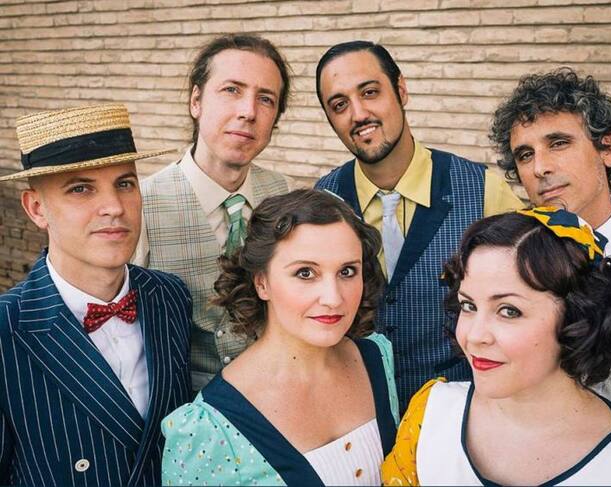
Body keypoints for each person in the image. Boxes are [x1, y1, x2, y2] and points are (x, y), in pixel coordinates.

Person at [313, 40, 523, 411]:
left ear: (401, 90)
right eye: (339, 104)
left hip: (461, 411)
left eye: (370, 92)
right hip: (357, 411)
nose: (358, 114)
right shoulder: (324, 199)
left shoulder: (482, 190)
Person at [383, 207, 611, 486]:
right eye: (468, 305)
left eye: (509, 311)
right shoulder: (430, 414)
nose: (475, 336)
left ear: (579, 319)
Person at [0, 104, 192, 486]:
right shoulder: (8, 327)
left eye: (125, 183)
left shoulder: (171, 296)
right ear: (36, 208)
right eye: (81, 188)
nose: (115, 208)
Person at [161, 189, 399, 486]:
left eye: (347, 271)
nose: (333, 298)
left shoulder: (376, 357)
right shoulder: (208, 429)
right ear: (262, 282)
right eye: (305, 273)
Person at [489, 67, 611, 431]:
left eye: (559, 143)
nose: (540, 168)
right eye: (525, 155)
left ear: (608, 149)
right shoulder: (508, 263)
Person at [133, 34, 294, 392]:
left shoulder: (284, 192)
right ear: (196, 101)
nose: (248, 111)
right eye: (231, 90)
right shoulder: (142, 204)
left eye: (265, 99)